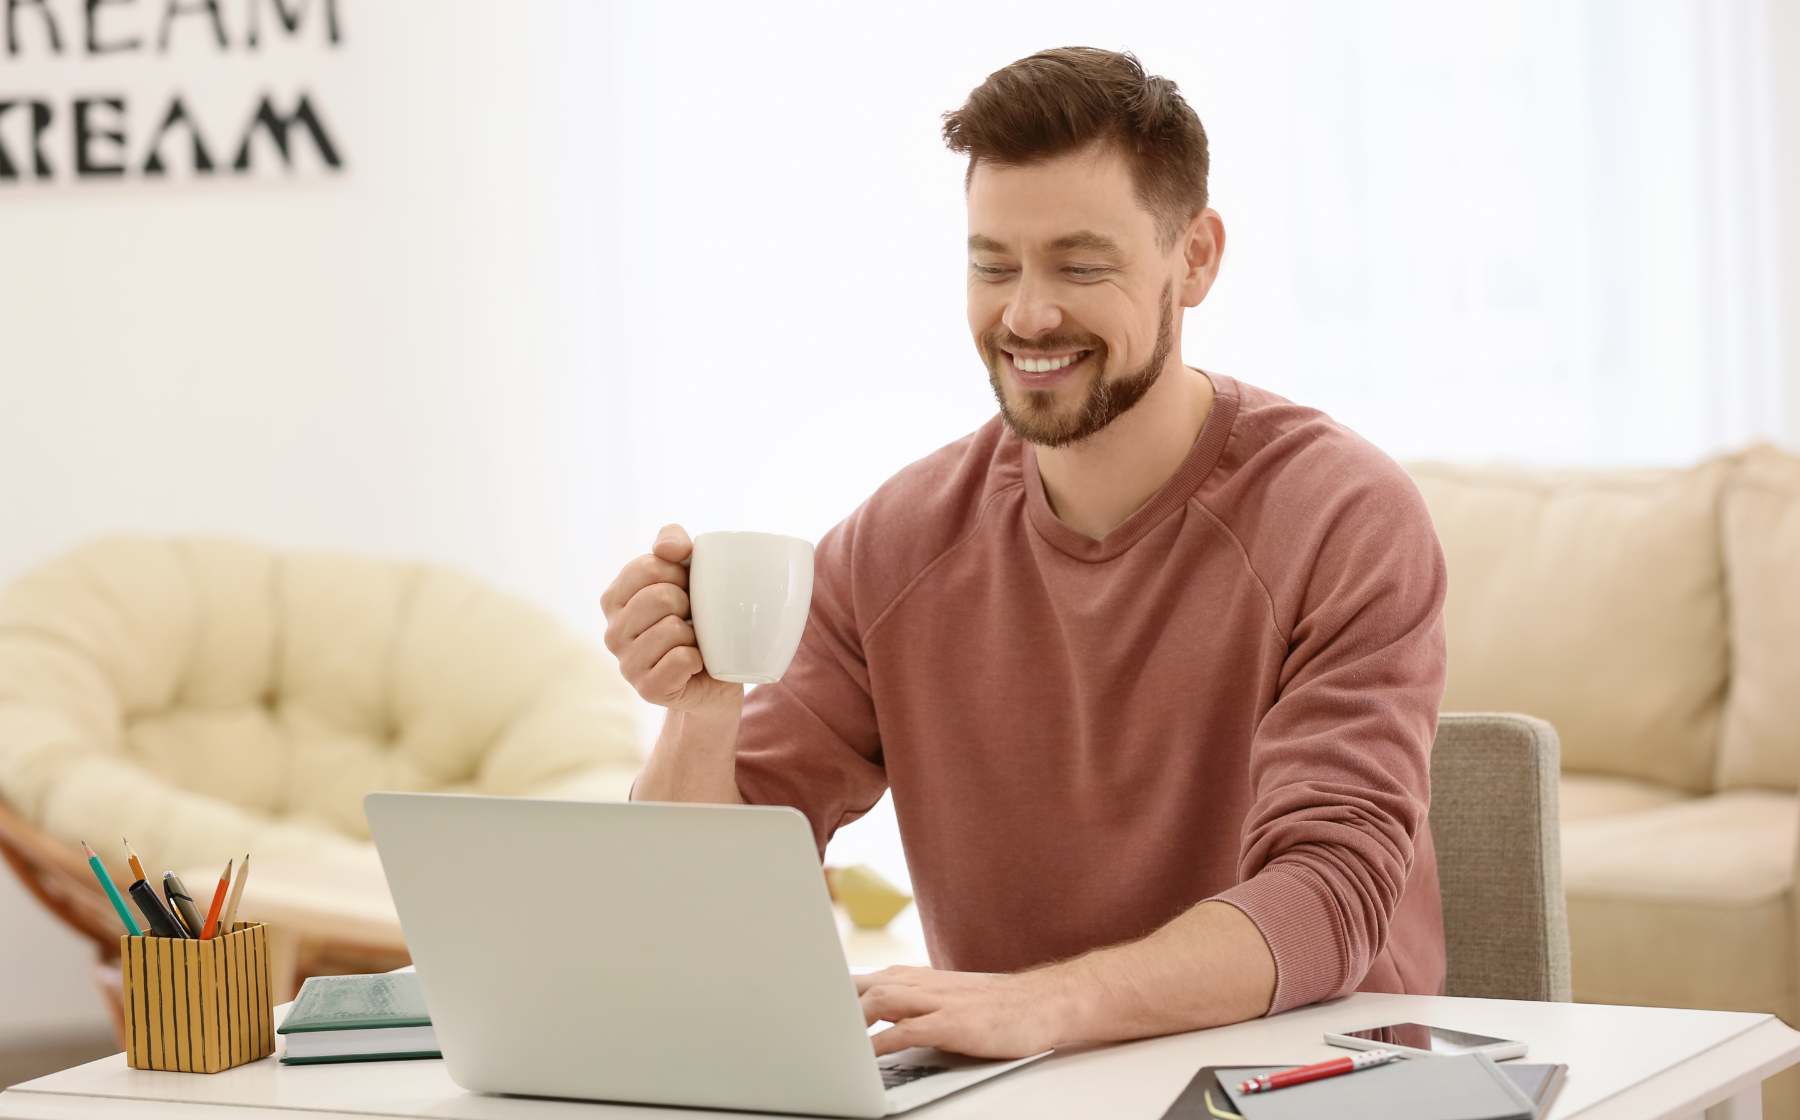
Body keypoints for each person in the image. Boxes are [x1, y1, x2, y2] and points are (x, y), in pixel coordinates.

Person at [601, 46, 1448, 1060]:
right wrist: (701, 711)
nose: (1027, 314)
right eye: (992, 264)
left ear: (1197, 257)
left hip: (1306, 1078)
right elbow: (694, 912)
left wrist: (1043, 1006)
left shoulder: (1341, 513)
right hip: (1021, 1088)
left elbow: (1331, 898)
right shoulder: (896, 542)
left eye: (1080, 265)